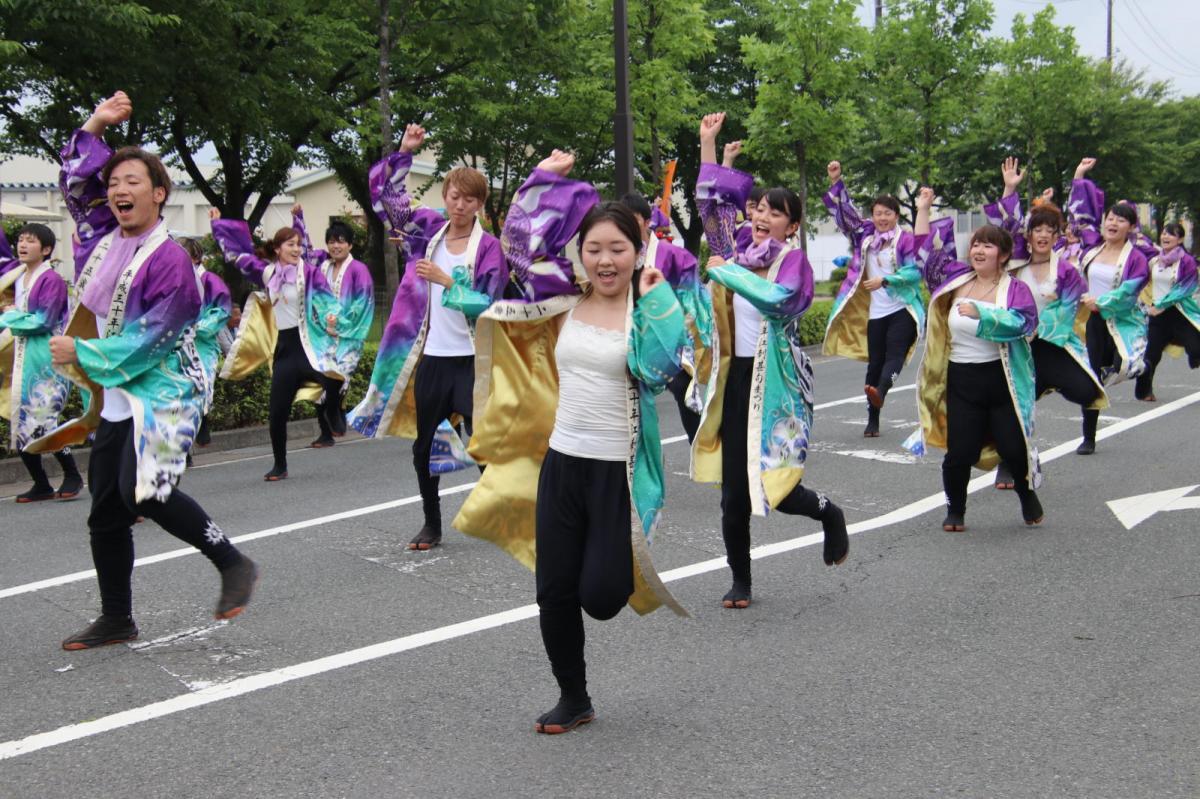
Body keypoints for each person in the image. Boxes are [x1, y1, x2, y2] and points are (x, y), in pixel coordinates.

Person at [452, 152, 689, 734]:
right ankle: (573, 696)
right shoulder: (563, 301)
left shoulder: (647, 307)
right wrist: (541, 177)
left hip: (616, 473)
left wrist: (659, 300)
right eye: (594, 249)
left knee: (602, 596)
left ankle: (600, 572)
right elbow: (516, 243)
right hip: (561, 464)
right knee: (553, 592)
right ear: (579, 253)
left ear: (637, 252)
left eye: (618, 249)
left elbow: (660, 369)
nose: (606, 260)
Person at [40, 91, 256, 650]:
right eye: (114, 182)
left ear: (159, 194)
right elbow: (76, 184)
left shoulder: (170, 260)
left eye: (133, 181)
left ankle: (232, 561)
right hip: (119, 394)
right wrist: (97, 122)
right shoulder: (101, 236)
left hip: (165, 389)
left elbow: (156, 335)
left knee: (146, 493)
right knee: (106, 513)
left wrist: (84, 353)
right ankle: (117, 617)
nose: (119, 190)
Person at [693, 112, 849, 610]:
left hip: (777, 384)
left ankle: (828, 513)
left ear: (792, 225)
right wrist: (709, 144)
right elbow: (711, 206)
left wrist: (728, 274)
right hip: (734, 380)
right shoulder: (735, 249)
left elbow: (779, 301)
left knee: (777, 486)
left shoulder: (791, 262)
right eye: (759, 208)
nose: (763, 216)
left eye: (775, 213)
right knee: (733, 495)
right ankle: (741, 580)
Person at [348, 124, 507, 551]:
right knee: (424, 448)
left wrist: (446, 281)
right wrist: (404, 151)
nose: (460, 204)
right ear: (445, 196)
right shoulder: (426, 231)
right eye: (454, 196)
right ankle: (431, 524)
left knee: (483, 444)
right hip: (432, 358)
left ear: (479, 204)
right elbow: (389, 199)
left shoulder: (488, 247)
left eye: (469, 199)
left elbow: (489, 302)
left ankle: (503, 512)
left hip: (472, 360)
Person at [908, 187, 1043, 531]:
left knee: (1013, 449)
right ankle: (956, 510)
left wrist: (984, 314)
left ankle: (1026, 494)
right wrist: (923, 209)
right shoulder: (956, 279)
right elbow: (925, 253)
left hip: (1002, 380)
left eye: (988, 246)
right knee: (960, 452)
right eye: (976, 245)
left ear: (1003, 254)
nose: (979, 250)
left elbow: (1025, 323)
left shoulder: (1015, 289)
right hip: (962, 380)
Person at [982, 158, 1107, 488]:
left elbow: (1068, 308)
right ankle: (1008, 465)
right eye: (1038, 229)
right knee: (1014, 407)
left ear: (1056, 236)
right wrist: (1009, 188)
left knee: (1087, 390)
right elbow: (1002, 226)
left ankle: (1085, 428)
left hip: (1052, 345)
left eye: (1050, 231)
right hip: (1018, 348)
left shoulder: (1065, 270)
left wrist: (1040, 326)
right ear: (1029, 233)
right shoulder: (1015, 261)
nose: (1043, 236)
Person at [210, 207, 342, 480]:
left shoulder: (310, 273)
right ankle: (280, 465)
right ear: (278, 249)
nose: (296, 249)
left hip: (309, 345)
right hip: (285, 350)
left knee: (335, 378)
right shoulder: (268, 273)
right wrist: (218, 226)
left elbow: (328, 300)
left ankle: (333, 411)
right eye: (290, 245)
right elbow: (238, 257)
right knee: (277, 412)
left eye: (297, 245)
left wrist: (332, 318)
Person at [822, 161, 926, 438]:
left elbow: (915, 271)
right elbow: (847, 217)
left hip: (903, 308)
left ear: (896, 215)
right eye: (878, 213)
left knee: (895, 357)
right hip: (876, 312)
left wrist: (887, 280)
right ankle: (873, 419)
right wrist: (836, 182)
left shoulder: (905, 240)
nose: (882, 218)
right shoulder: (866, 235)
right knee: (874, 364)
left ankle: (881, 390)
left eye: (887, 213)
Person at [1069, 158, 1152, 454]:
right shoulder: (1093, 245)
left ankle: (1142, 366)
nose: (1113, 223)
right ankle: (1088, 437)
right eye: (1110, 218)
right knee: (1092, 378)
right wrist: (1079, 175)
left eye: (1120, 220)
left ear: (1131, 227)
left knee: (1126, 365)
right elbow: (1080, 216)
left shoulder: (1136, 258)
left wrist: (1101, 301)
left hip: (1125, 321)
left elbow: (1129, 292)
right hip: (1095, 322)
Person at [619, 192, 712, 443]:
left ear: (647, 221)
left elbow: (693, 299)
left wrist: (680, 331)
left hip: (668, 340)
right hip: (630, 338)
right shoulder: (619, 256)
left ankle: (701, 448)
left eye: (632, 219)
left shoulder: (673, 256)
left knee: (684, 393)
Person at [0, 223, 83, 501]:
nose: (22, 245)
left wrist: (9, 316)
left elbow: (44, 321)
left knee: (45, 419)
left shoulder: (52, 280)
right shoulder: (19, 278)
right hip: (23, 358)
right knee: (20, 420)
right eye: (21, 240)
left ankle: (72, 475)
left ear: (46, 249)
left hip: (47, 359)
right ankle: (41, 484)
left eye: (31, 241)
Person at [292, 212, 375, 445]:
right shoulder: (321, 266)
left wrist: (340, 323)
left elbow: (363, 303)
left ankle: (336, 409)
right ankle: (326, 431)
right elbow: (303, 253)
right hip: (322, 336)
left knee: (338, 378)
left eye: (341, 241)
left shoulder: (359, 270)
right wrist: (298, 218)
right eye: (331, 241)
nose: (335, 246)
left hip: (349, 337)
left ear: (350, 244)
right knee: (320, 383)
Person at [1134, 222, 1200, 400]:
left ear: (1180, 239)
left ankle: (1194, 357)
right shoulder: (1155, 260)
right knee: (1151, 356)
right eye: (1164, 233)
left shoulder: (1187, 261)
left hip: (1181, 314)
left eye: (1171, 234)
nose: (1165, 236)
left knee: (1196, 349)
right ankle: (1144, 392)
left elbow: (1185, 288)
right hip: (1158, 317)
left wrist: (1162, 305)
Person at [180, 237, 232, 458]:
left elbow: (222, 309)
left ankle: (202, 420)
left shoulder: (209, 280)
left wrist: (199, 327)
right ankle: (183, 452)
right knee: (178, 395)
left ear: (195, 258)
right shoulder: (171, 279)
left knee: (201, 385)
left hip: (203, 344)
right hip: (177, 345)